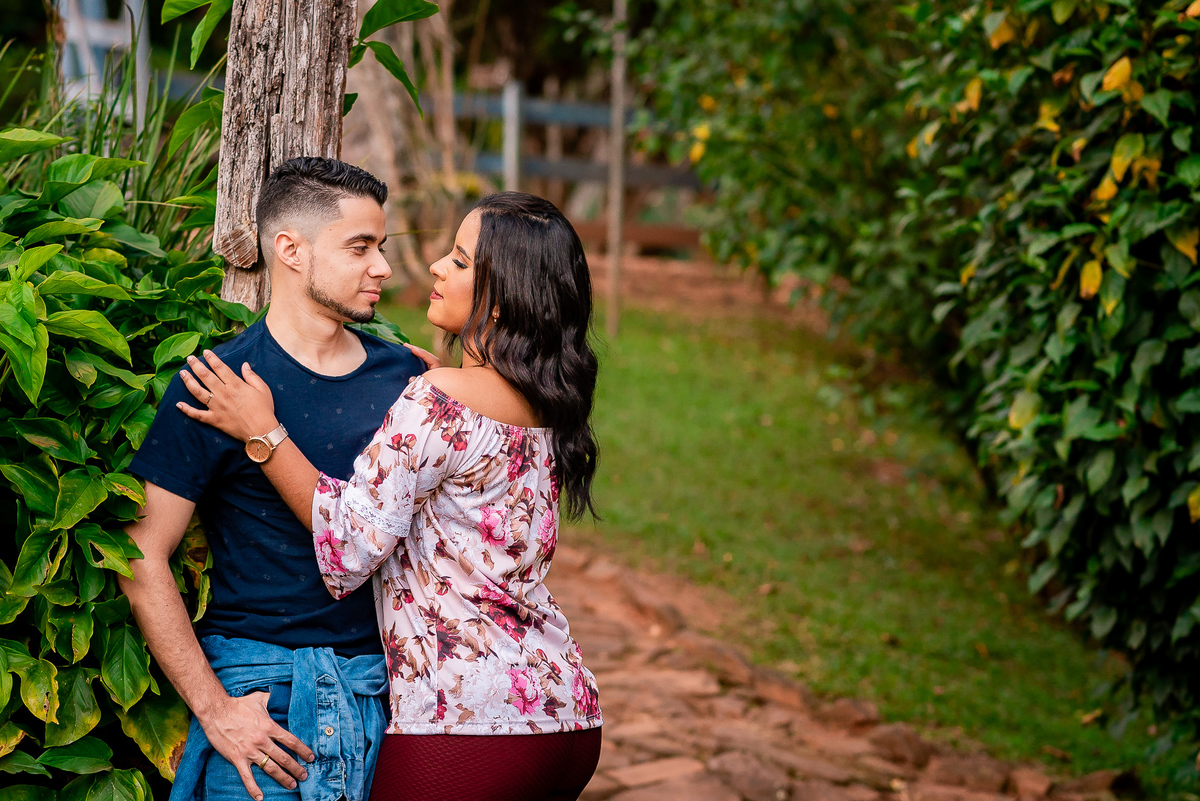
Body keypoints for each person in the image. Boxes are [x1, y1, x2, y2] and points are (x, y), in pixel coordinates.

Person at [173, 192, 605, 801]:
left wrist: (262, 432)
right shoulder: (547, 405)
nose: (435, 266)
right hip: (567, 713)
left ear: (500, 298)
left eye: (460, 260)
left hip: (469, 719)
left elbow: (351, 546)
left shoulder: (438, 398)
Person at [120, 157, 426, 801]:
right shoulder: (217, 385)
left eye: (381, 246)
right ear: (290, 250)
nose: (382, 267)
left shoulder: (406, 380)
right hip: (263, 700)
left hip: (390, 695)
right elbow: (141, 554)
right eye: (359, 247)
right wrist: (215, 708)